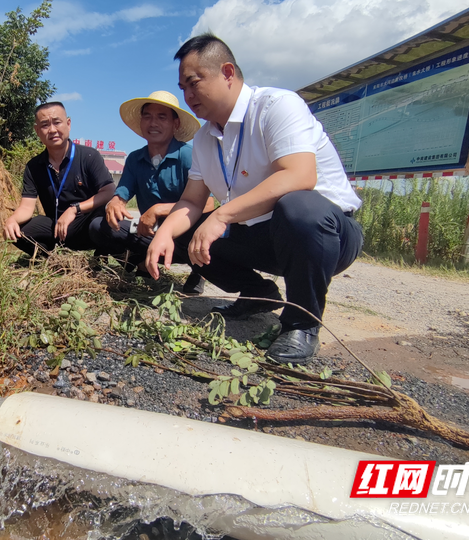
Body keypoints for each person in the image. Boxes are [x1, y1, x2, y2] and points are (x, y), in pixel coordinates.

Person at [145, 34, 363, 363]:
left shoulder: (276, 106)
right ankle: (260, 295)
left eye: (193, 83)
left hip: (325, 233)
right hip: (265, 236)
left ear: (228, 73)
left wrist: (220, 215)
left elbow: (300, 176)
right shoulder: (205, 138)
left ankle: (301, 323)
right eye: (183, 87)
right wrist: (163, 233)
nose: (188, 96)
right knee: (188, 232)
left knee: (298, 206)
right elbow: (191, 202)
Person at [88, 91, 211, 295]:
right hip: (151, 231)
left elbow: (207, 204)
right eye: (148, 116)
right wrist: (115, 203)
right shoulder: (135, 158)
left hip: (184, 232)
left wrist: (159, 209)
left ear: (175, 124)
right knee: (98, 226)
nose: (153, 123)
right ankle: (140, 259)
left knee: (206, 229)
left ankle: (200, 270)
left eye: (162, 117)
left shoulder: (188, 155)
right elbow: (122, 193)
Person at [3, 102, 116, 257]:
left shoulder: (89, 156)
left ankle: (101, 256)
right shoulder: (34, 166)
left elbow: (109, 191)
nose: (52, 130)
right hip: (55, 227)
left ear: (68, 124)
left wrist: (75, 209)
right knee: (19, 232)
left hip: (86, 224)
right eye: (45, 125)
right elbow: (26, 208)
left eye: (57, 122)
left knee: (101, 224)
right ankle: (53, 260)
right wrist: (12, 220)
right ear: (37, 131)